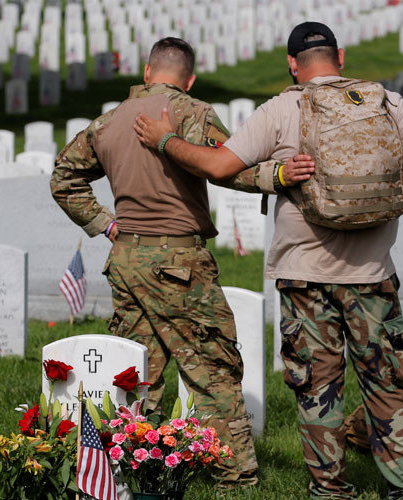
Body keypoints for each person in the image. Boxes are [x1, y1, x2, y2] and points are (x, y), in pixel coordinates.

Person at [134, 22, 403, 500]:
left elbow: (219, 166)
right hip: (373, 276)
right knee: (386, 383)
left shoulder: (282, 108)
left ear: (291, 64)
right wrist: (379, 170)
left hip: (304, 276)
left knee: (317, 389)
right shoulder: (383, 99)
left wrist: (164, 140)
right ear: (339, 57)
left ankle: (329, 490)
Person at [50, 37, 258, 487]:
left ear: (146, 73)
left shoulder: (106, 123)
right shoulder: (193, 113)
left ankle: (127, 470)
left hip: (125, 259)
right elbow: (234, 167)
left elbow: (63, 178)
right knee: (210, 364)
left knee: (138, 371)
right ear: (190, 79)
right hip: (180, 262)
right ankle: (233, 475)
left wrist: (106, 223)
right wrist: (282, 176)